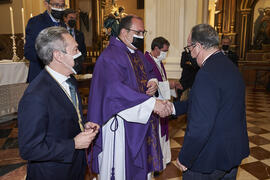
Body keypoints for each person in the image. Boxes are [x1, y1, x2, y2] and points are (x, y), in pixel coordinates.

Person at [87, 15, 173, 180]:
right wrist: (152, 104)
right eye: (138, 32)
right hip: (120, 123)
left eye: (143, 32)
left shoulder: (136, 53)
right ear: (124, 32)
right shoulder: (109, 56)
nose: (141, 36)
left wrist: (153, 81)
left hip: (141, 118)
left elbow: (149, 71)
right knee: (122, 169)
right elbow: (115, 90)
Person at [18, 26, 100, 180]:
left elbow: (64, 118)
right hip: (52, 174)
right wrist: (74, 144)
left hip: (74, 168)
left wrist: (83, 126)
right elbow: (29, 149)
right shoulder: (36, 95)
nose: (80, 54)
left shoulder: (70, 80)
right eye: (75, 50)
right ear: (58, 55)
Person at [174, 24, 250, 180]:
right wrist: (173, 107)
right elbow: (213, 104)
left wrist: (185, 157)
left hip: (209, 159)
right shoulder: (230, 66)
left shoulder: (206, 74)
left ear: (198, 46)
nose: (191, 55)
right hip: (232, 151)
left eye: (190, 48)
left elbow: (200, 125)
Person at [145, 36, 179, 170]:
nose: (165, 53)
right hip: (154, 104)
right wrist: (168, 84)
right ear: (156, 48)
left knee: (163, 131)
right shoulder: (147, 60)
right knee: (156, 133)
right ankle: (156, 161)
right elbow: (149, 84)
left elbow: (161, 80)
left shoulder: (158, 61)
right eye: (164, 50)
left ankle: (163, 158)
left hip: (161, 101)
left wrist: (168, 85)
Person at [24, 0, 66, 83]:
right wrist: (51, 60)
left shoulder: (63, 24)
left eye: (62, 6)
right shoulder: (35, 22)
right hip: (40, 76)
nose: (60, 9)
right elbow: (29, 52)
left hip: (60, 76)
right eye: (56, 5)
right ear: (46, 4)